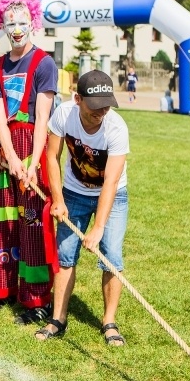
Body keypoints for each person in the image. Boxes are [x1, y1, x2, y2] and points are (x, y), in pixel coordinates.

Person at [35, 71, 129, 346]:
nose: (101, 111)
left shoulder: (116, 127)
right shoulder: (64, 114)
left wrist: (98, 227)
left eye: (106, 105)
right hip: (74, 192)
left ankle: (109, 322)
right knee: (65, 254)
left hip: (112, 195)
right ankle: (58, 319)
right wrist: (58, 199)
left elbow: (111, 182)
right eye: (95, 106)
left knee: (112, 256)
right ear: (78, 99)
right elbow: (52, 156)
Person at [0, 0, 58, 324]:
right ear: (1, 25)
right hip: (9, 152)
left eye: (21, 22)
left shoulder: (44, 63)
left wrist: (30, 162)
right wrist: (11, 157)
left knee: (32, 223)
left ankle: (36, 299)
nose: (16, 29)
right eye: (9, 23)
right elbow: (0, 117)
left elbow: (43, 118)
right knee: (5, 221)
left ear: (33, 22)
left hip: (34, 149)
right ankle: (4, 289)